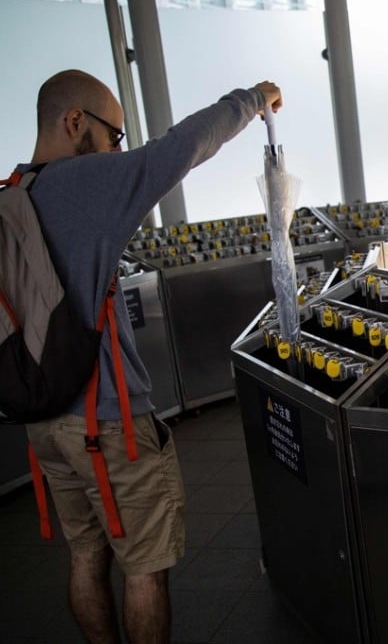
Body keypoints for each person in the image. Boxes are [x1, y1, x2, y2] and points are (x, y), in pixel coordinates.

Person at [13, 69, 282, 644]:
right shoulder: (86, 184)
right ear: (75, 121)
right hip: (107, 423)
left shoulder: (16, 194)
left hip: (43, 423)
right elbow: (183, 147)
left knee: (86, 555)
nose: (118, 149)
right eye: (115, 135)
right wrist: (253, 101)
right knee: (144, 567)